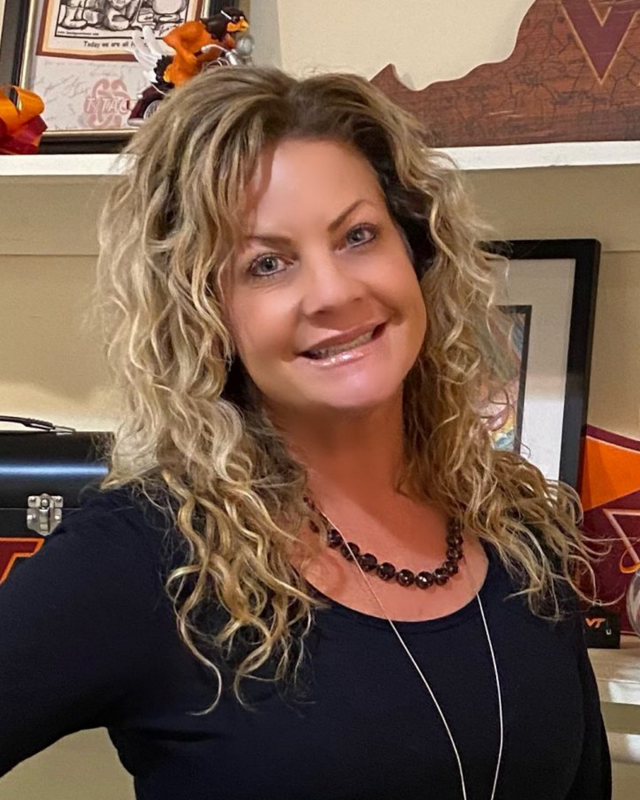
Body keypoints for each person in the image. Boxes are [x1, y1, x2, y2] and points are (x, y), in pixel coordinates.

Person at [0, 65, 610, 799]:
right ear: (204, 313)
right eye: (267, 264)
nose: (333, 291)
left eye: (357, 235)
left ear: (417, 251)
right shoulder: (150, 558)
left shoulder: (521, 532)